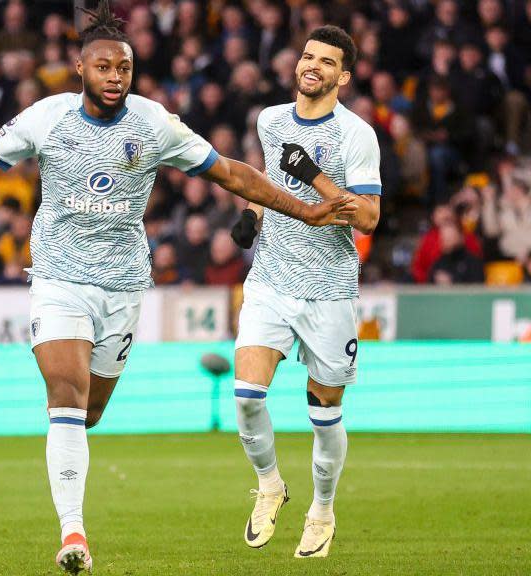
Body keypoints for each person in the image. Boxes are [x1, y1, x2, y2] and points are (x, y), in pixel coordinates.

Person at [0, 3, 353, 573]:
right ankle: (74, 534)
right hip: (58, 279)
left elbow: (231, 173)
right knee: (65, 398)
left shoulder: (154, 123)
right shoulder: (47, 118)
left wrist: (305, 211)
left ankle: (72, 460)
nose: (115, 78)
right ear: (80, 69)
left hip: (122, 285)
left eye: (123, 68)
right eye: (104, 68)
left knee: (88, 412)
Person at [228, 26, 381, 559]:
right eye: (308, 56)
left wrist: (314, 176)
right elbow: (270, 182)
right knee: (246, 397)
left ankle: (321, 509)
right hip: (270, 280)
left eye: (327, 61)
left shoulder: (356, 135)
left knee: (325, 414)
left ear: (344, 75)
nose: (313, 65)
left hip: (329, 291)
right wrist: (251, 214)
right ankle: (270, 485)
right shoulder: (270, 120)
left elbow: (368, 218)